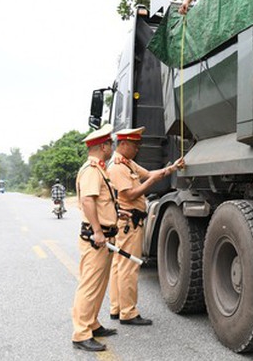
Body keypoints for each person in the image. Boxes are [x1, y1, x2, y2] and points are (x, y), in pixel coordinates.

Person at [107, 127, 185, 326]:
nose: (137, 149)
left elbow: (150, 173)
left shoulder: (127, 163)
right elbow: (130, 194)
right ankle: (128, 312)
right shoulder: (117, 167)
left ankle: (117, 308)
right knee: (128, 267)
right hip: (129, 223)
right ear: (123, 144)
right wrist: (150, 181)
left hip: (129, 222)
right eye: (134, 145)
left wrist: (172, 168)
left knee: (119, 266)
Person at [71, 124, 129, 352]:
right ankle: (81, 333)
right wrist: (97, 230)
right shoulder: (91, 170)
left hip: (104, 236)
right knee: (89, 286)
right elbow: (88, 201)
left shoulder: (100, 169)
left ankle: (92, 324)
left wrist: (117, 213)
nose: (112, 148)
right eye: (110, 144)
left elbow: (103, 202)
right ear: (102, 146)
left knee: (99, 285)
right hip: (96, 238)